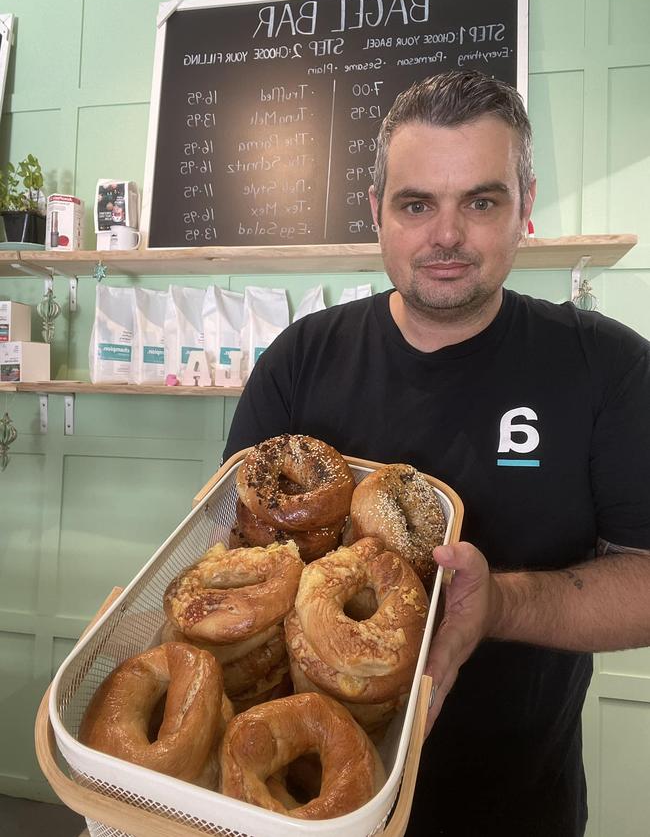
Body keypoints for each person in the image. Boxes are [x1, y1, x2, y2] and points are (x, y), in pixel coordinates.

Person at [223, 70, 650, 836]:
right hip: (302, 802)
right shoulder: (300, 359)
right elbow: (235, 551)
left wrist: (503, 604)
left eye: (480, 202)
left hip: (517, 807)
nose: (445, 235)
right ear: (377, 214)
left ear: (525, 204)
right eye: (416, 204)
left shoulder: (607, 368)